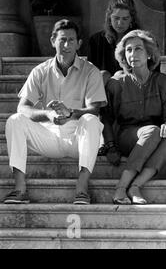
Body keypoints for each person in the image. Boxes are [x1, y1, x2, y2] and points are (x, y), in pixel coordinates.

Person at [3, 19, 106, 205]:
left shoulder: (91, 71)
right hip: (49, 135)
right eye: (62, 40)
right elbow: (23, 107)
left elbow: (94, 108)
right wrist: (47, 115)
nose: (66, 45)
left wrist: (70, 113)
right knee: (15, 120)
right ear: (52, 41)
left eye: (71, 40)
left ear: (79, 44)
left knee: (91, 119)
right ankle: (19, 189)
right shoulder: (40, 71)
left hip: (79, 138)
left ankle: (82, 188)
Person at [101, 30, 166, 205]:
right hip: (126, 136)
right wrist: (111, 146)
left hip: (156, 137)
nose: (132, 54)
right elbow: (105, 118)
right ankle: (121, 188)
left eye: (138, 49)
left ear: (149, 54)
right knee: (152, 131)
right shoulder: (116, 83)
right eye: (128, 50)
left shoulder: (165, 82)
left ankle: (136, 186)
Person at [88, 0, 140, 85]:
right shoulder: (96, 40)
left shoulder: (142, 40)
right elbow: (89, 73)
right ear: (109, 18)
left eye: (125, 19)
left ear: (132, 19)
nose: (120, 23)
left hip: (132, 89)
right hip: (102, 89)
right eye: (116, 18)